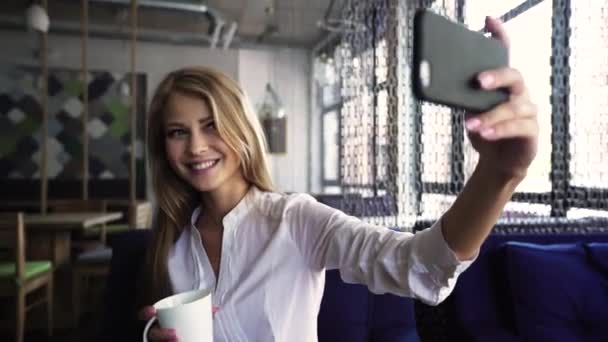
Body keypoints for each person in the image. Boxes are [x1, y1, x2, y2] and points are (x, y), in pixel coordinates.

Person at [138, 16, 538, 342]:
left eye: (211, 126)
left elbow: (422, 267)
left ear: (241, 128)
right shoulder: (172, 242)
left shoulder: (293, 219)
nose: (195, 147)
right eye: (178, 132)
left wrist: (500, 173)